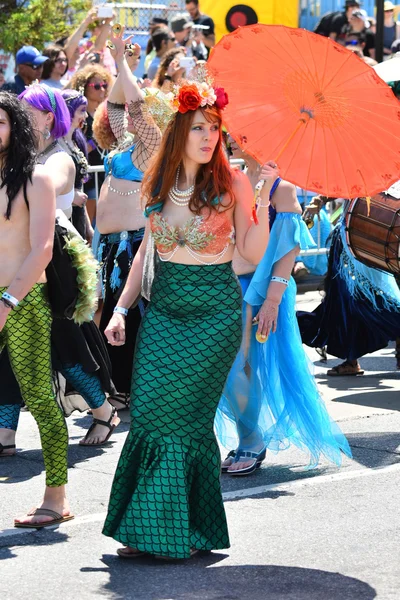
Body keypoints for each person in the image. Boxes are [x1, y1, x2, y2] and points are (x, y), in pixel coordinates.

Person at [101, 28, 271, 560]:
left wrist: (263, 197)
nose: (208, 137)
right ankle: (169, 528)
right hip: (165, 312)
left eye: (214, 129)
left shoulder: (233, 185)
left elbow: (251, 247)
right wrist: (122, 309)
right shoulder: (158, 183)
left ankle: (168, 533)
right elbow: (148, 257)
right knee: (150, 414)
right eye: (199, 128)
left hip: (215, 316)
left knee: (180, 418)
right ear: (182, 132)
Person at [217, 139, 351, 476]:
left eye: (243, 137)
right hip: (233, 288)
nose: (235, 139)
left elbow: (288, 250)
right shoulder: (236, 177)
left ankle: (251, 441)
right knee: (233, 366)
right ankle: (250, 436)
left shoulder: (282, 187)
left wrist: (273, 300)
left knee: (239, 365)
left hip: (265, 291)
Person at [0, 84, 118, 447]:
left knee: (65, 350)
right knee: (6, 354)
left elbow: (47, 185)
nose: (21, 114)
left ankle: (103, 412)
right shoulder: (20, 157)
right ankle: (5, 432)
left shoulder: (59, 156)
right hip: (18, 260)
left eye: (27, 109)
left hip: (53, 264)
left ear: (48, 117)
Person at [0, 91, 72, 527]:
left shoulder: (37, 178)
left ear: (18, 128)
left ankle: (56, 497)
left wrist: (7, 301)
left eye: (2, 122)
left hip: (24, 301)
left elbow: (42, 249)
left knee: (40, 398)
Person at [93, 36, 162, 410]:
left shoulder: (152, 146)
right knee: (109, 313)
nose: (134, 118)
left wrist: (126, 68)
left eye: (144, 114)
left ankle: (132, 390)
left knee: (134, 315)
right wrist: (120, 61)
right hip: (109, 245)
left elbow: (133, 103)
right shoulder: (125, 142)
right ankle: (115, 385)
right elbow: (117, 104)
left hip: (134, 244)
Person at [298, 195, 400, 376]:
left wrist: (322, 199)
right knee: (346, 304)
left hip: (356, 244)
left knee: (358, 302)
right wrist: (322, 199)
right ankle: (351, 360)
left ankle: (353, 358)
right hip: (354, 239)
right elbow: (346, 186)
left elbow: (351, 186)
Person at [68, 64, 114, 221]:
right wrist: (97, 141)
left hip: (104, 176)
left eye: (104, 85)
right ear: (84, 87)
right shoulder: (79, 116)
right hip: (88, 178)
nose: (101, 89)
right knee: (90, 224)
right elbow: (78, 148)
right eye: (96, 86)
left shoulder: (103, 113)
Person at [59, 89, 93, 242]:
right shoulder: (53, 145)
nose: (86, 116)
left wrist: (88, 227)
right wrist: (71, 196)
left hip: (77, 215)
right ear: (68, 111)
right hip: (60, 217)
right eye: (82, 111)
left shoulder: (77, 142)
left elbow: (79, 189)